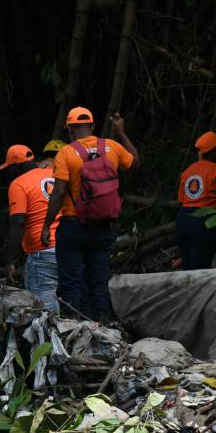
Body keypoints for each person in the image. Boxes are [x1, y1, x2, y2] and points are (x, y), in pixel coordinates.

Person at [40, 107, 139, 321]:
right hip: (104, 225)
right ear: (93, 126)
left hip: (74, 224)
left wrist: (47, 226)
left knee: (72, 279)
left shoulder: (66, 153)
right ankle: (103, 322)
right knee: (99, 276)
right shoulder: (111, 147)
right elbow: (136, 162)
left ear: (69, 130)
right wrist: (121, 132)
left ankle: (77, 324)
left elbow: (58, 192)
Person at [0, 143, 61, 312]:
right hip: (69, 247)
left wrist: (10, 261)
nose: (9, 173)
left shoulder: (19, 184)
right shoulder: (54, 173)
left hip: (43, 251)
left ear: (17, 166)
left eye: (9, 168)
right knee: (70, 304)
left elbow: (18, 222)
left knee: (44, 314)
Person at [176, 131, 216, 270]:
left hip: (183, 220)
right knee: (201, 269)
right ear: (212, 151)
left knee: (188, 268)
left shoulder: (188, 171)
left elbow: (181, 201)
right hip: (203, 221)